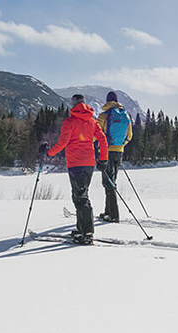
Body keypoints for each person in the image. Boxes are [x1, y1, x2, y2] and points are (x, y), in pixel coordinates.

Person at [44, 94, 108, 245]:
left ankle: (87, 233)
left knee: (81, 198)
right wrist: (103, 159)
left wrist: (48, 153)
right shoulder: (92, 121)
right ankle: (81, 228)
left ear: (73, 103)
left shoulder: (70, 121)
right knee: (79, 196)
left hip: (76, 164)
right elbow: (103, 140)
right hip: (89, 164)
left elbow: (63, 142)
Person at [95, 90, 133, 223]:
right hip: (119, 152)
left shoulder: (103, 116)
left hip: (107, 152)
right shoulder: (126, 116)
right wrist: (120, 145)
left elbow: (96, 135)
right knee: (111, 181)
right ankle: (107, 212)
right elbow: (129, 136)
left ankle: (114, 215)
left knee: (108, 183)